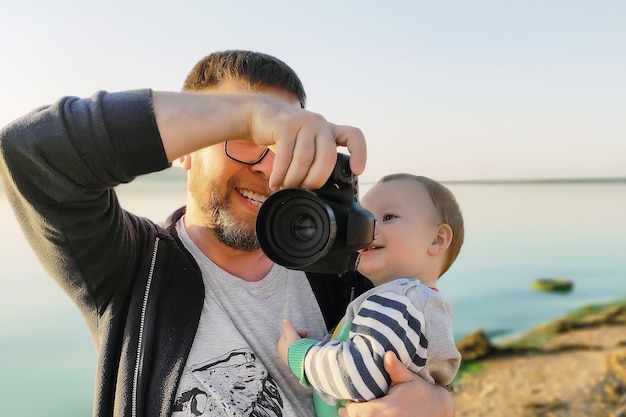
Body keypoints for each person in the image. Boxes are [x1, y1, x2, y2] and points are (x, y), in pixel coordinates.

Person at [0, 50, 455, 417]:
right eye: (247, 136)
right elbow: (32, 151)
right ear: (184, 151)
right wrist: (245, 112)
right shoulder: (130, 267)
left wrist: (441, 403)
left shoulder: (341, 268)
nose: (273, 170)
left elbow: (420, 353)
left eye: (288, 144)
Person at [278, 173, 464, 417]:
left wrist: (299, 353)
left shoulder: (399, 300)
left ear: (437, 239)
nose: (366, 228)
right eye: (364, 217)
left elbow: (357, 375)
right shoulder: (414, 302)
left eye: (388, 217)